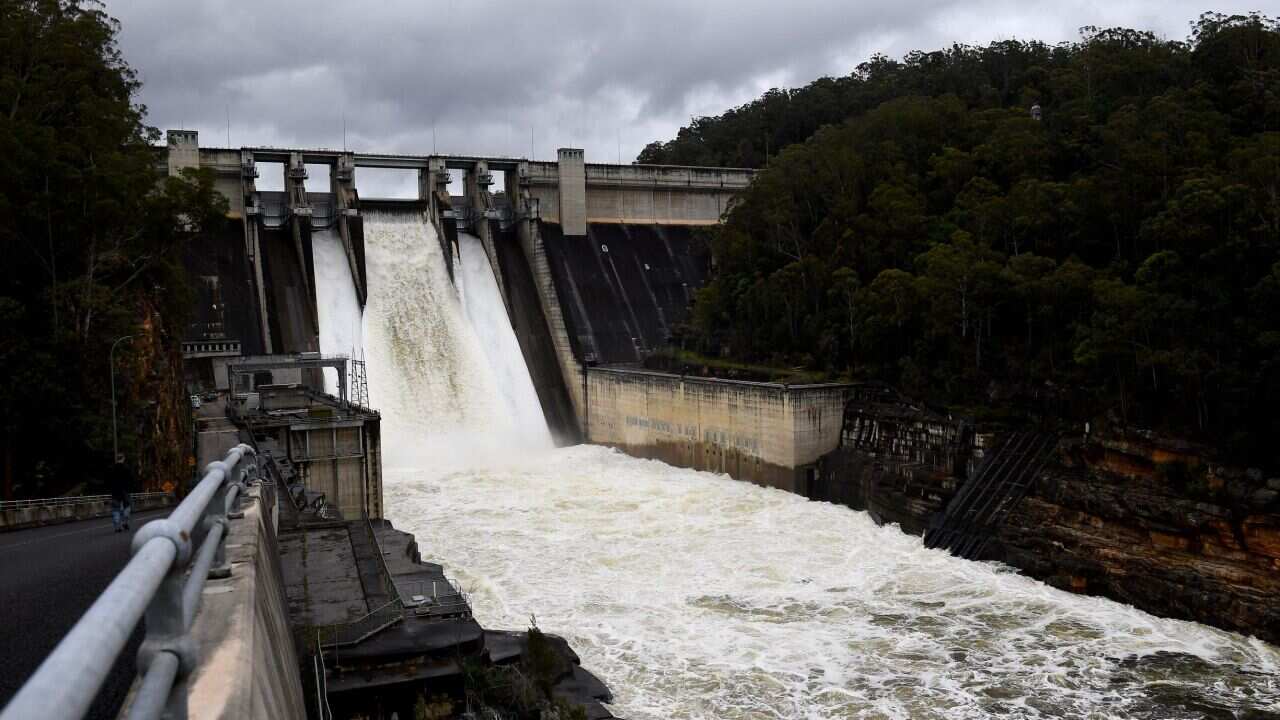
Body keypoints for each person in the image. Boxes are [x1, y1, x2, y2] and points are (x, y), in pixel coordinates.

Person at [109, 454, 133, 532]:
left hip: (115, 492)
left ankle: (117, 527)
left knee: (115, 509)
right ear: (123, 458)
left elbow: (107, 481)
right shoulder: (127, 468)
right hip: (125, 491)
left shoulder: (112, 468)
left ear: (116, 459)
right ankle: (125, 522)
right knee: (127, 506)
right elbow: (131, 480)